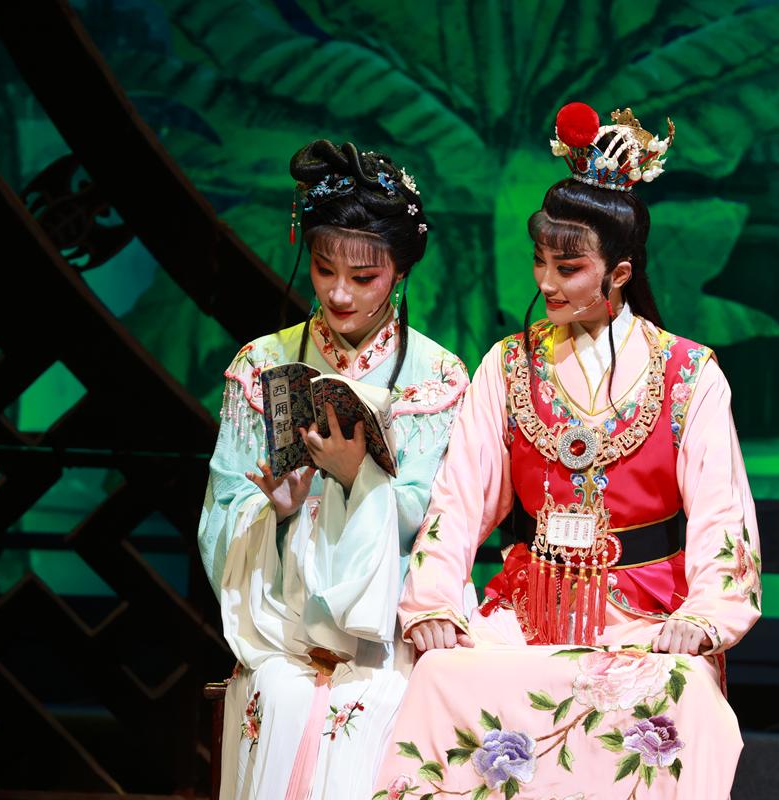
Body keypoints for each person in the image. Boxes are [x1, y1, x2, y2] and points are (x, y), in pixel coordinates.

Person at [373, 103, 761, 800]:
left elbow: (720, 513)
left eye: (569, 267)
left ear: (620, 272)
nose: (546, 283)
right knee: (441, 677)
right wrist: (432, 602)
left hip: (647, 619)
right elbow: (459, 499)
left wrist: (704, 617)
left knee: (682, 696)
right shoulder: (507, 365)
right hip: (527, 610)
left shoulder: (688, 374)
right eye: (540, 262)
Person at [198, 139, 468, 800]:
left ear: (399, 271)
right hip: (280, 622)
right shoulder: (262, 363)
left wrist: (357, 480)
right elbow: (221, 507)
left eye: (364, 277)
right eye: (324, 270)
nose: (339, 293)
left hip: (390, 627)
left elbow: (442, 523)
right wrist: (276, 511)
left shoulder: (437, 374)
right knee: (280, 696)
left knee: (374, 701)